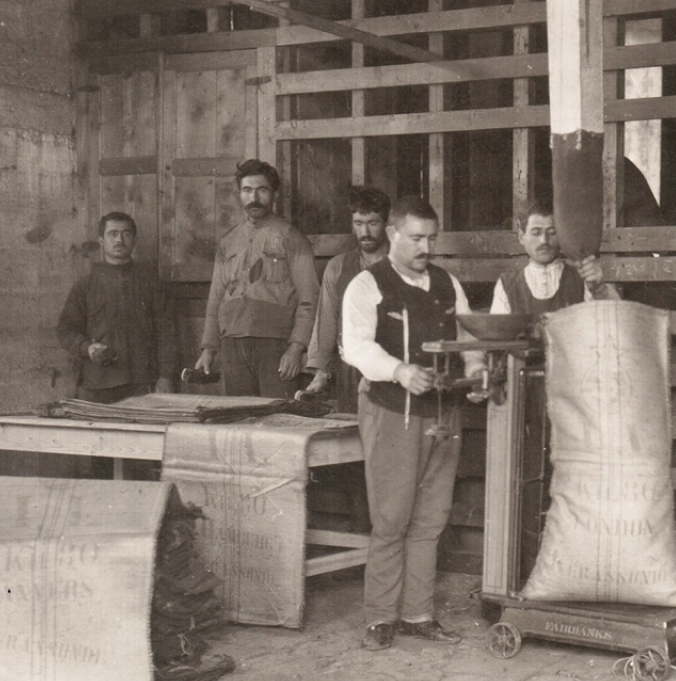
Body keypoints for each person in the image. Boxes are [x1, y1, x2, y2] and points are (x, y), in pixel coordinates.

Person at [341, 195, 486, 651]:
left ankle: (417, 614)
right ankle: (380, 618)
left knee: (430, 520)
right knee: (391, 518)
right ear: (393, 235)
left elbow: (469, 339)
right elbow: (355, 347)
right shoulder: (367, 285)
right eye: (418, 238)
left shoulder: (447, 284)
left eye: (432, 238)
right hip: (393, 413)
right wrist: (400, 370)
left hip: (444, 414)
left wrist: (478, 371)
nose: (427, 247)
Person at [194, 159, 320, 398]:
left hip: (275, 346)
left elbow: (309, 299)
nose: (254, 198)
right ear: (239, 194)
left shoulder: (292, 239)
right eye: (247, 190)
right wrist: (209, 348)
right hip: (232, 344)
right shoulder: (228, 242)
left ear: (274, 194)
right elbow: (215, 299)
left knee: (277, 418)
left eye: (262, 190)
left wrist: (296, 348)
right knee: (238, 417)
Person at [57, 211, 178, 403]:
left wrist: (165, 376)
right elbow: (66, 329)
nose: (119, 240)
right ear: (101, 240)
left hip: (142, 383)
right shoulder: (85, 285)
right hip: (97, 384)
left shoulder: (153, 284)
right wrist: (87, 348)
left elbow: (167, 332)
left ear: (134, 240)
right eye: (112, 234)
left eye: (126, 234)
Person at [304, 185, 392, 413]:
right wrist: (320, 372)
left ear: (386, 224)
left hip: (392, 367)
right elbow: (326, 322)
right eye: (358, 224)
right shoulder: (338, 267)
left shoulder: (400, 265)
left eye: (373, 223)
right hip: (350, 371)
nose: (365, 232)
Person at [489, 199, 618, 315]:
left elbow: (613, 321)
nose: (544, 240)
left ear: (562, 236)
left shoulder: (582, 279)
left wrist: (599, 288)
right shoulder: (507, 285)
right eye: (536, 233)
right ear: (522, 237)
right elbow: (499, 337)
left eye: (552, 232)